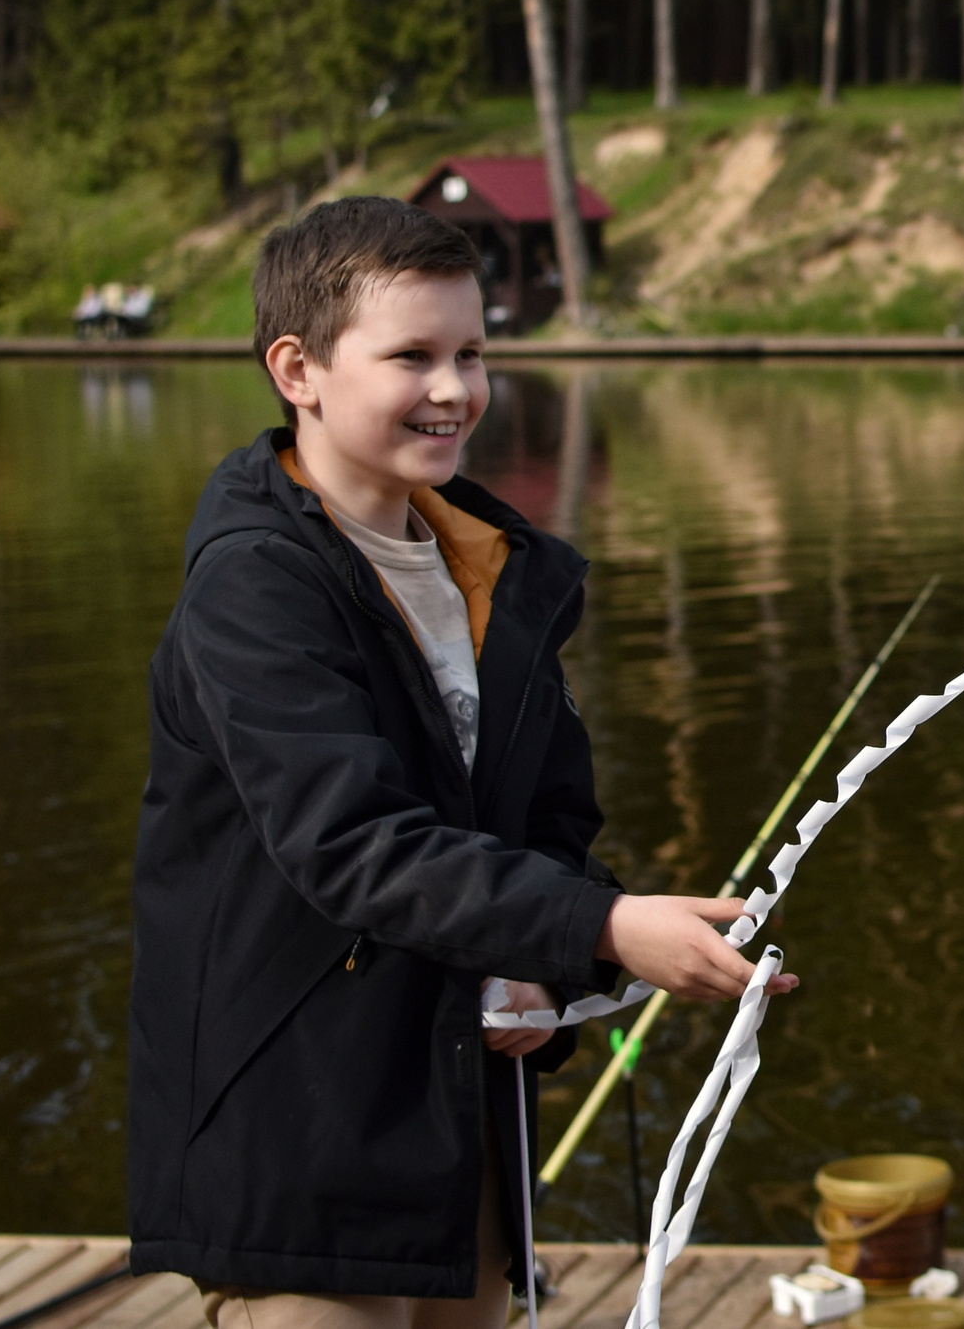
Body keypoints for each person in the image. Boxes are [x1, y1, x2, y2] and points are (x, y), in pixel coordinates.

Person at [129, 198, 791, 1329]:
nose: (455, 389)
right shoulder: (253, 586)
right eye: (412, 357)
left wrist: (539, 969)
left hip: (458, 1117)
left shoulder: (495, 566)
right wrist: (602, 927)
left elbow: (548, 818)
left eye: (473, 352)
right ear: (298, 369)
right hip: (301, 1130)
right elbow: (355, 844)